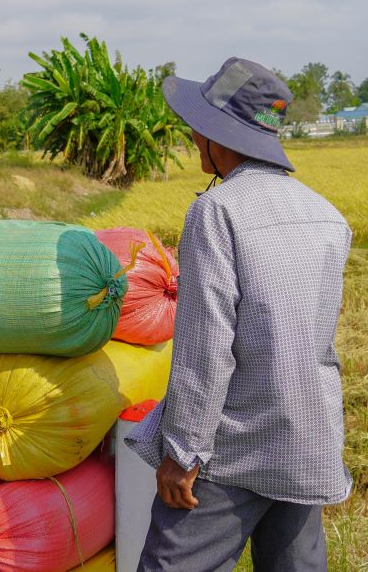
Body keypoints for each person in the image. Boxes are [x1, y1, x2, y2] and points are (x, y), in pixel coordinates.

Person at [126, 58, 352, 571]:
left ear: (218, 134)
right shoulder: (326, 215)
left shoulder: (217, 210)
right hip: (307, 439)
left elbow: (206, 348)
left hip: (235, 447)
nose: (192, 135)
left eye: (198, 125)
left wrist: (183, 454)